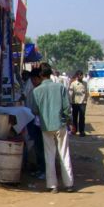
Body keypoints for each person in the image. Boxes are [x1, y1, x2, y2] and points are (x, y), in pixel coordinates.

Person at [32, 63, 74, 193]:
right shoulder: (60, 87)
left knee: (49, 154)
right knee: (64, 153)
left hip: (46, 126)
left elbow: (35, 110)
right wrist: (68, 121)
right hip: (60, 124)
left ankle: (52, 185)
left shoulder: (36, 91)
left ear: (40, 75)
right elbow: (67, 108)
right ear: (50, 73)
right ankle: (68, 184)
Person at [24, 68, 45, 179]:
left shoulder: (40, 89)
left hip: (40, 120)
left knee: (41, 146)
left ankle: (43, 169)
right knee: (37, 144)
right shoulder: (31, 86)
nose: (33, 81)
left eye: (34, 79)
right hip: (34, 119)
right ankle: (39, 167)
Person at [69, 70, 88, 136]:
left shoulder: (85, 83)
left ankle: (81, 131)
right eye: (80, 75)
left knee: (82, 117)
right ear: (77, 76)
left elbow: (86, 92)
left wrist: (86, 100)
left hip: (83, 103)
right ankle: (74, 130)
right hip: (75, 103)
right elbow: (70, 94)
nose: (81, 76)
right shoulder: (73, 84)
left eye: (82, 75)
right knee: (75, 117)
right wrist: (70, 102)